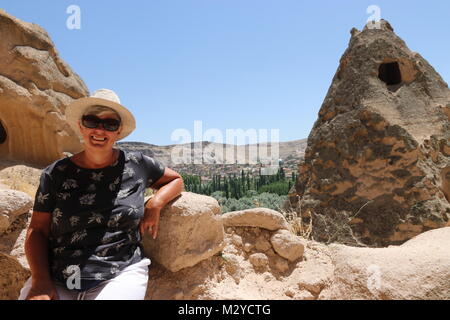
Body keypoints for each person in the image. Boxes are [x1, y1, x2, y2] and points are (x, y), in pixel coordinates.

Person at [18, 89, 184, 300]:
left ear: (118, 131)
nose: (100, 130)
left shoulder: (138, 164)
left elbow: (175, 180)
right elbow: (38, 230)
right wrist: (41, 281)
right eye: (92, 121)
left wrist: (156, 203)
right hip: (60, 274)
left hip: (120, 272)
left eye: (109, 124)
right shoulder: (56, 174)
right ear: (80, 126)